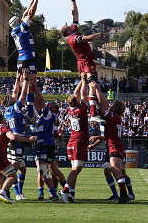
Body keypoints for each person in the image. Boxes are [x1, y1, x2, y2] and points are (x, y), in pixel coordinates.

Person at [60, 0, 107, 124]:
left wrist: (73, 0)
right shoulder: (73, 38)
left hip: (84, 62)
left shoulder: (73, 31)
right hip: (85, 62)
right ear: (67, 31)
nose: (70, 24)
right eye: (68, 26)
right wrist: (100, 35)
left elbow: (75, 14)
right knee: (93, 84)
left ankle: (94, 111)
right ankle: (93, 113)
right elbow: (89, 38)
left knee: (92, 85)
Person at [0, 111, 37, 204]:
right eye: (5, 119)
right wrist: (28, 140)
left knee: (1, 175)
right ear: (2, 120)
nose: (6, 120)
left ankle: (3, 194)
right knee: (12, 175)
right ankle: (3, 193)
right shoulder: (4, 128)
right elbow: (13, 137)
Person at [94, 85, 134, 204]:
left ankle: (124, 196)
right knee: (116, 171)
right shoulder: (116, 118)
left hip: (115, 147)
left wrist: (98, 90)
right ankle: (123, 195)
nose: (110, 106)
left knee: (117, 171)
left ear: (114, 108)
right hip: (116, 145)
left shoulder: (112, 117)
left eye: (112, 106)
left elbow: (103, 104)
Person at [9, 0, 43, 117]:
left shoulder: (14, 30)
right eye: (20, 19)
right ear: (19, 22)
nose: (22, 19)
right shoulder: (22, 29)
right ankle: (29, 113)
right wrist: (37, 1)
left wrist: (32, 0)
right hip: (28, 59)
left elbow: (25, 14)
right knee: (31, 86)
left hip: (21, 60)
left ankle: (27, 112)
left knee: (27, 86)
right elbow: (30, 14)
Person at [1, 71, 33, 200]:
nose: (15, 97)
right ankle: (5, 190)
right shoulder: (15, 108)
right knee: (13, 169)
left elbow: (15, 93)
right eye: (12, 98)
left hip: (15, 139)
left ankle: (17, 192)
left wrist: (17, 79)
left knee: (22, 169)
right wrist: (24, 79)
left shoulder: (8, 110)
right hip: (17, 140)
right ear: (10, 101)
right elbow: (22, 94)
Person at [60, 74, 90, 203]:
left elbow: (76, 93)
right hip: (79, 141)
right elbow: (82, 93)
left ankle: (71, 194)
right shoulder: (80, 110)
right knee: (78, 169)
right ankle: (65, 190)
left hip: (72, 140)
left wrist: (82, 80)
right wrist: (84, 81)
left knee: (74, 169)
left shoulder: (70, 109)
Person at [33, 86, 66, 202]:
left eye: (50, 106)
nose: (47, 106)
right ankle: (68, 190)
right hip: (47, 145)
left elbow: (40, 101)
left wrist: (34, 86)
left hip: (45, 146)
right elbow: (36, 103)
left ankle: (54, 195)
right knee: (54, 170)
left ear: (53, 110)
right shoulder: (45, 117)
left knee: (43, 171)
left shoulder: (49, 115)